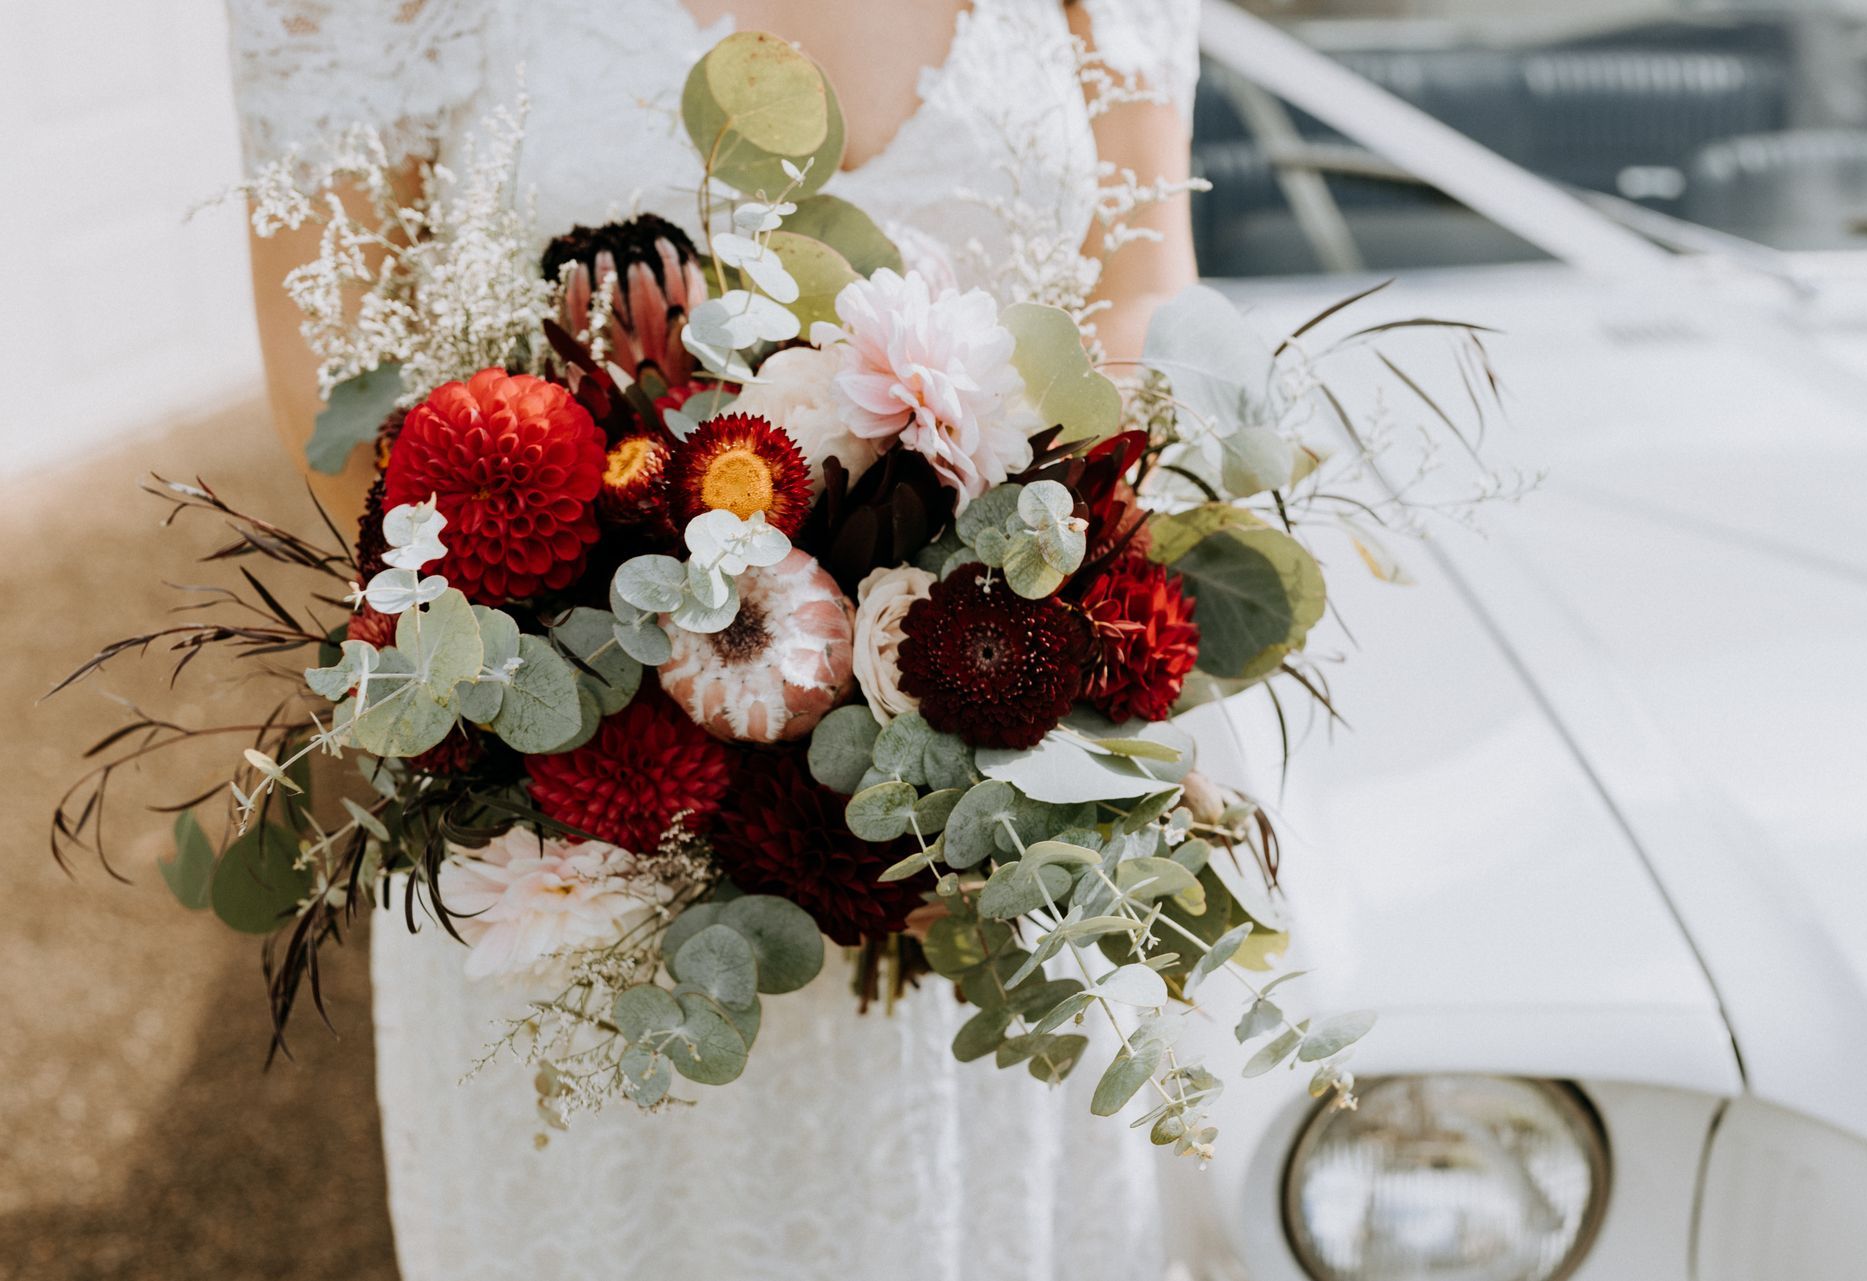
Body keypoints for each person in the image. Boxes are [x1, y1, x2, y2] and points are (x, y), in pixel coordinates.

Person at [228, 3, 1201, 1277]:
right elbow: (341, 395)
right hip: (587, 854)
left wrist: (996, 669)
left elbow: (1137, 301)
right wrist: (639, 695)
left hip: (978, 855)